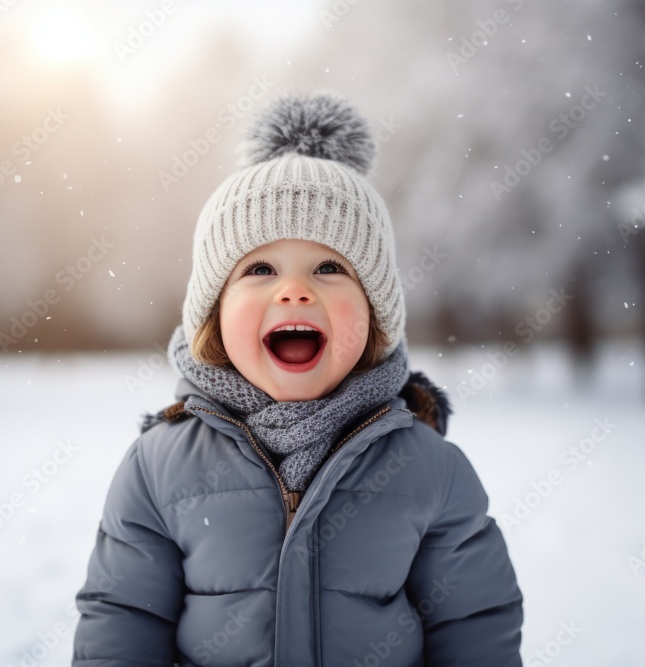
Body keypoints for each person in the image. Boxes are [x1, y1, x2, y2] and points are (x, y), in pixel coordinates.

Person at [72, 91, 523, 666]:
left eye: (330, 268)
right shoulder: (160, 469)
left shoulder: (429, 469)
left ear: (376, 312)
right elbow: (123, 619)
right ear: (212, 313)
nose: (294, 290)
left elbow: (475, 624)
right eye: (259, 269)